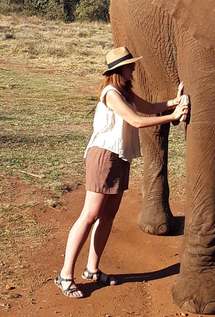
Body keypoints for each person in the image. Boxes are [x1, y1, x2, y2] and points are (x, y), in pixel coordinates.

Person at [55, 46, 189, 298]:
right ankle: (64, 275)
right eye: (130, 66)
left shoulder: (125, 92)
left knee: (107, 215)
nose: (134, 69)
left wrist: (173, 101)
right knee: (90, 214)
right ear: (119, 70)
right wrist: (173, 116)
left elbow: (148, 108)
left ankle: (92, 270)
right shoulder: (111, 93)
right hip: (104, 157)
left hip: (120, 158)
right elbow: (137, 121)